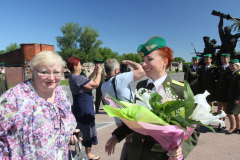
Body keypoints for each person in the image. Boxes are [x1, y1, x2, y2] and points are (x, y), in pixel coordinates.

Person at [105, 36, 200, 160]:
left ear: (165, 62)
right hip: (136, 152)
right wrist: (117, 136)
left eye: (149, 59)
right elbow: (135, 118)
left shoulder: (180, 89)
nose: (143, 64)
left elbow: (194, 126)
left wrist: (182, 149)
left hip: (160, 155)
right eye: (143, 60)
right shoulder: (141, 86)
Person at [0, 51, 81, 159]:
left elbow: (61, 123)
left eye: (56, 72)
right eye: (45, 72)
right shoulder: (13, 98)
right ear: (33, 71)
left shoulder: (61, 93)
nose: (52, 78)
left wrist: (69, 133)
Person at [101, 59, 145, 160]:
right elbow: (142, 70)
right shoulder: (119, 79)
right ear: (116, 71)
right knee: (135, 144)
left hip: (119, 120)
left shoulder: (103, 86)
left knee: (128, 143)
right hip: (130, 119)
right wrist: (128, 62)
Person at [67, 57, 102, 160]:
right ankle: (88, 154)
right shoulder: (77, 78)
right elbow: (95, 84)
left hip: (79, 107)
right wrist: (99, 72)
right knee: (87, 129)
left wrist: (94, 72)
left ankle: (79, 151)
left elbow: (87, 81)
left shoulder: (73, 77)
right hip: (85, 108)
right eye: (80, 64)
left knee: (80, 130)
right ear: (75, 66)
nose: (81, 66)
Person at [215, 54, 232, 131]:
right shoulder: (218, 68)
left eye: (225, 59)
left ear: (229, 59)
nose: (223, 60)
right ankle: (219, 122)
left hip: (226, 91)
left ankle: (223, 122)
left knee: (225, 107)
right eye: (222, 59)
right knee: (219, 106)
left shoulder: (230, 68)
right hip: (219, 90)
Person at [225, 59, 240, 134]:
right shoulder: (233, 74)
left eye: (233, 65)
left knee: (230, 112)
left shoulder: (238, 75)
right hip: (233, 97)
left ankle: (232, 128)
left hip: (234, 97)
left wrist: (237, 98)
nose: (231, 67)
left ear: (237, 66)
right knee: (236, 113)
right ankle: (238, 127)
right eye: (230, 65)